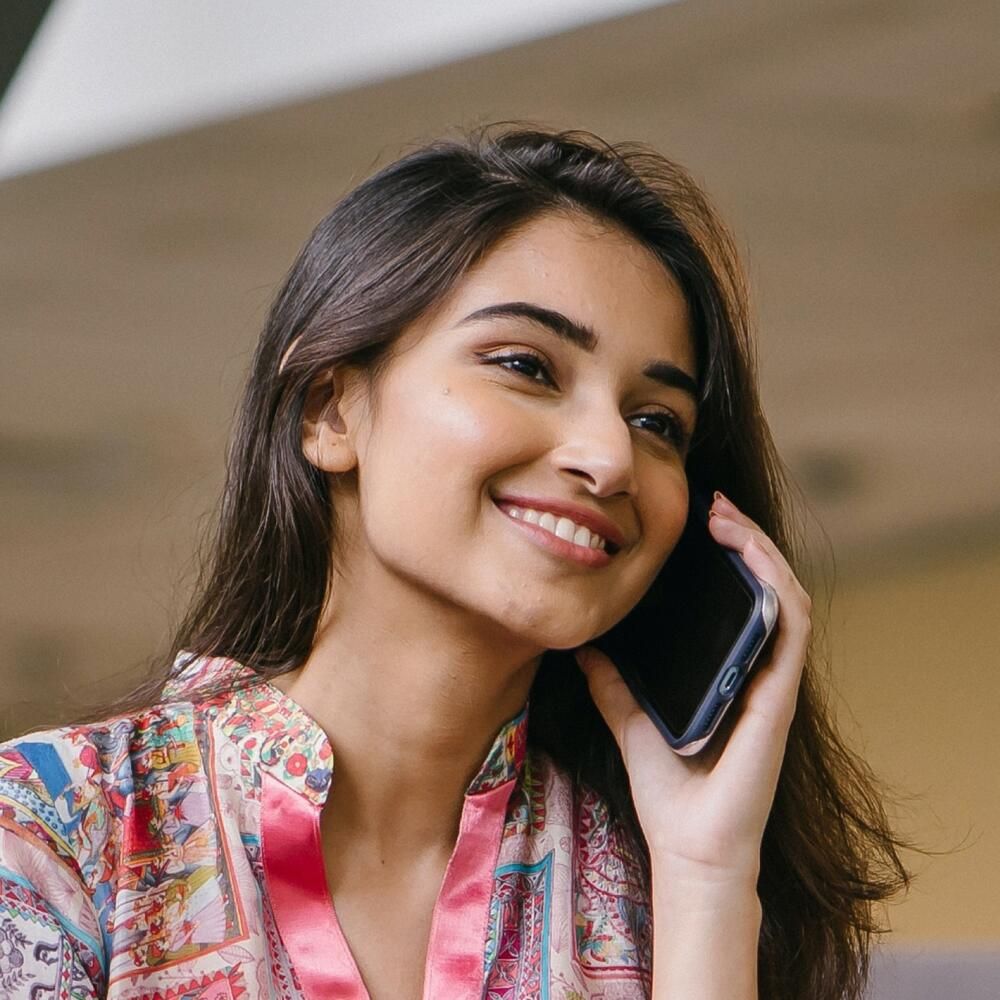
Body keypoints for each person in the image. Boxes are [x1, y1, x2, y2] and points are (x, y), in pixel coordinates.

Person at [0, 123, 909, 1000]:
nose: (609, 457)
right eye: (527, 365)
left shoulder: (658, 886)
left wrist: (706, 876)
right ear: (329, 411)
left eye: (656, 421)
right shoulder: (57, 835)